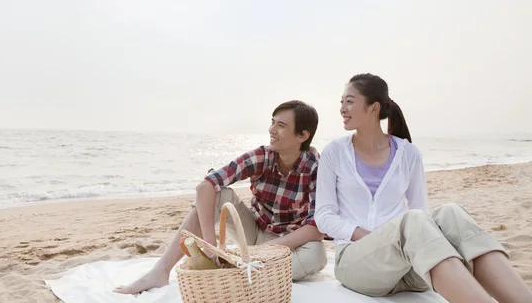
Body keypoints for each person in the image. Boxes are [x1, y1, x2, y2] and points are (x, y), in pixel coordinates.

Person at [315, 73, 532, 303]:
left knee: (451, 212)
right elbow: (324, 215)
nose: (342, 108)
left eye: (349, 101)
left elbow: (420, 208)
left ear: (373, 108)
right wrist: (369, 236)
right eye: (342, 102)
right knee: (414, 220)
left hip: (409, 268)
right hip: (356, 263)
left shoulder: (408, 154)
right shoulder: (335, 152)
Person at [114, 100, 327, 295]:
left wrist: (267, 250)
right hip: (253, 233)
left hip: (289, 243)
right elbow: (206, 186)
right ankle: (160, 271)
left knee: (316, 256)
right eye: (272, 122)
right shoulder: (264, 155)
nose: (272, 130)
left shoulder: (316, 169)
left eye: (281, 125)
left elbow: (315, 228)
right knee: (220, 195)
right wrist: (210, 243)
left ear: (302, 135)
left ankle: (244, 268)